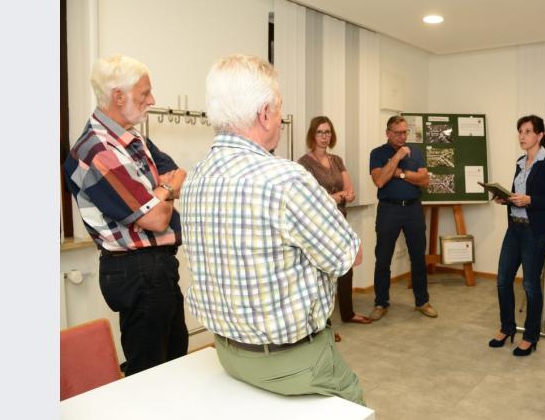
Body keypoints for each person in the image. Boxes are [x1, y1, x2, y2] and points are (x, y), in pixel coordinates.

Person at [180, 54, 366, 405]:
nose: (281, 119)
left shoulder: (194, 178)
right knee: (354, 401)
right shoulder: (286, 179)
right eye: (279, 110)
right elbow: (349, 256)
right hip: (294, 363)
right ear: (264, 113)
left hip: (227, 352)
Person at [63, 54, 188, 376]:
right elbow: (156, 218)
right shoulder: (96, 151)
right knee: (149, 371)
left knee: (174, 357)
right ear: (118, 96)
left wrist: (161, 193)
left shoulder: (134, 140)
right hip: (137, 270)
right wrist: (165, 191)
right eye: (145, 93)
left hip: (157, 266)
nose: (153, 100)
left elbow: (176, 174)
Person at [488, 115, 545, 357]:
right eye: (520, 131)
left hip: (536, 231)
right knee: (503, 280)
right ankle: (507, 327)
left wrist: (530, 200)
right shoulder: (520, 162)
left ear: (540, 135)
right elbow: (518, 196)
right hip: (515, 228)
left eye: (528, 131)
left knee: (530, 284)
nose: (522, 136)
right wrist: (505, 199)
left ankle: (530, 336)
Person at [298, 116, 372, 342]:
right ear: (312, 135)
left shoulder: (337, 160)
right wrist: (338, 196)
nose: (324, 136)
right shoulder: (304, 163)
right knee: (323, 274)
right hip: (319, 224)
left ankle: (348, 313)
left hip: (339, 220)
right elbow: (311, 198)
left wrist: (346, 195)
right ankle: (324, 325)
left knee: (346, 266)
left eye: (328, 132)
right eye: (320, 132)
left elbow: (349, 190)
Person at [368, 115, 437, 320]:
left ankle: (422, 301)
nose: (402, 136)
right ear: (388, 132)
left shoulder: (416, 152)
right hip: (389, 210)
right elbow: (380, 180)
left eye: (405, 132)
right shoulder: (378, 153)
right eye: (398, 132)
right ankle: (381, 303)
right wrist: (397, 157)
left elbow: (424, 180)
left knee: (418, 257)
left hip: (414, 210)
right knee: (383, 258)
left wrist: (401, 174)